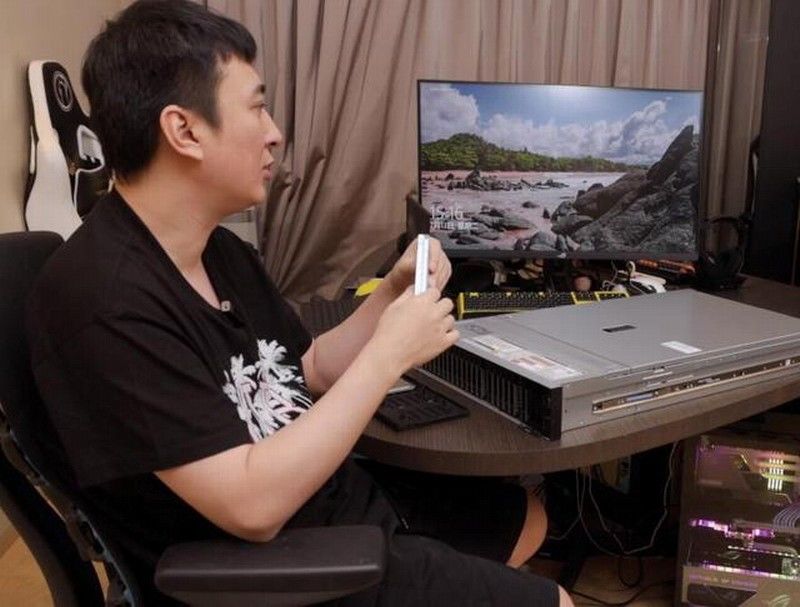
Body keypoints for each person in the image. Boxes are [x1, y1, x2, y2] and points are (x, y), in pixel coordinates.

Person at [25, 1, 574, 605]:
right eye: (256, 107)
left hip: (329, 500)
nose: (274, 132)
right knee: (554, 600)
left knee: (527, 519)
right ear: (184, 131)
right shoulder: (105, 302)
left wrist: (387, 297)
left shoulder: (216, 249)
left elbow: (306, 367)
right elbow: (251, 507)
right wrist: (388, 356)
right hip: (278, 570)